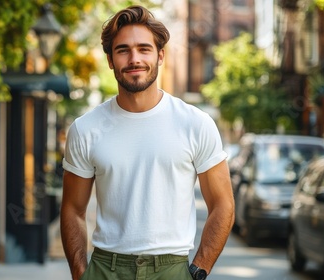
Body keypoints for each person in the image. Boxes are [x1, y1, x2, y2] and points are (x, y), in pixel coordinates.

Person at [60, 5, 234, 280]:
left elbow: (223, 205)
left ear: (160, 55)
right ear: (110, 60)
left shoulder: (195, 124)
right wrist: (81, 274)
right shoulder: (86, 129)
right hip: (106, 268)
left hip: (172, 268)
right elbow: (72, 209)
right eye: (123, 50)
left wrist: (198, 271)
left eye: (144, 49)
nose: (134, 59)